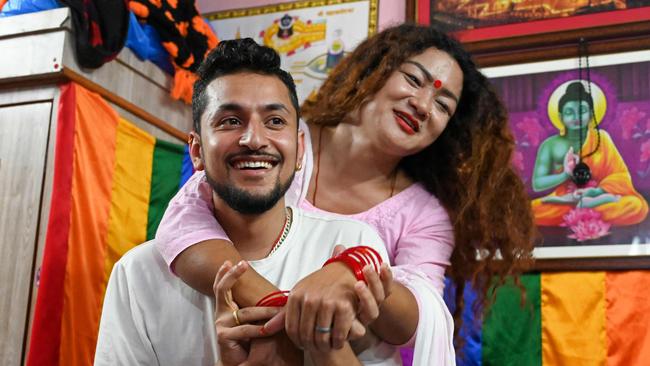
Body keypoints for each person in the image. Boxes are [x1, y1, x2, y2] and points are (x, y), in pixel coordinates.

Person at [155, 24, 536, 361]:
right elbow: (184, 219)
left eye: (442, 105)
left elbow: (421, 318)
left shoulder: (424, 214)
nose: (421, 105)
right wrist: (282, 313)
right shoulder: (282, 141)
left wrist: (354, 270)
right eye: (414, 80)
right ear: (375, 71)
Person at [94, 38, 414, 365]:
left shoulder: (350, 243)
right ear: (197, 150)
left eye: (274, 121)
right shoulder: (139, 274)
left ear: (300, 149)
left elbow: (407, 327)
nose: (254, 139)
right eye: (231, 121)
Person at [532, 81, 648, 226]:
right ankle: (586, 208)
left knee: (636, 206)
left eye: (582, 111)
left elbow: (620, 175)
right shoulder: (550, 145)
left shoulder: (602, 138)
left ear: (592, 114)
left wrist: (596, 192)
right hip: (565, 200)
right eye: (569, 112)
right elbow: (537, 184)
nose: (576, 117)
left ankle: (586, 207)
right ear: (561, 117)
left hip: (600, 195)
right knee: (530, 211)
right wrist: (565, 174)